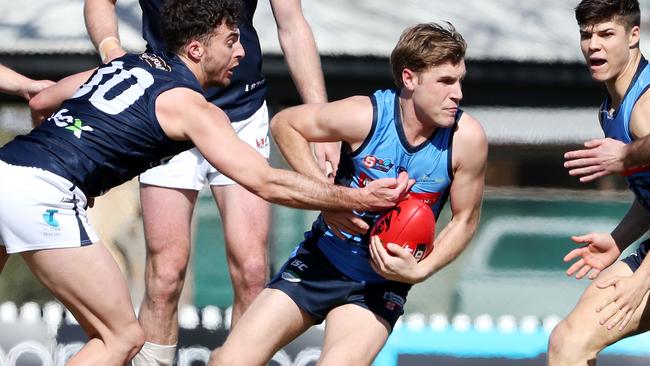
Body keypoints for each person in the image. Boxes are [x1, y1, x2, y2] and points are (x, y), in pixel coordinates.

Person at [0, 0, 411, 364]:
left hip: (7, 170)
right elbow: (265, 182)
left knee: (115, 331)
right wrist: (353, 196)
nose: (243, 51)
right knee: (121, 338)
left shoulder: (126, 65)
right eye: (231, 41)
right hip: (43, 195)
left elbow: (42, 100)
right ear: (197, 49)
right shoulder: (192, 109)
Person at [210, 22, 487, 366]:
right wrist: (327, 199)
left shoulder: (467, 139)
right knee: (228, 362)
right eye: (446, 81)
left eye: (460, 80)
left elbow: (465, 220)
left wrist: (421, 270)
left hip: (378, 285)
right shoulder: (365, 116)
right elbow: (286, 125)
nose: (458, 93)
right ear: (409, 79)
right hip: (321, 261)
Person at [81, 0, 338, 362]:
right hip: (169, 109)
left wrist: (321, 123)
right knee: (166, 273)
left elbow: (292, 23)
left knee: (251, 270)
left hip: (241, 114)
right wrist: (111, 48)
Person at [548, 1, 650, 365]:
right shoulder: (611, 109)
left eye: (607, 34)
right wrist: (618, 240)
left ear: (634, 36)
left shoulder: (645, 104)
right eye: (586, 35)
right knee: (568, 342)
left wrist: (643, 280)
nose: (594, 45)